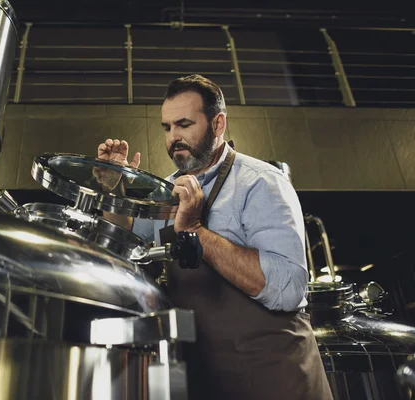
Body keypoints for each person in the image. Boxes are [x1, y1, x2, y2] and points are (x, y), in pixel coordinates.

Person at [96, 74, 333, 399]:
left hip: (274, 377)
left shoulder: (261, 183)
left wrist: (195, 231)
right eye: (167, 127)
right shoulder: (163, 191)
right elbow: (126, 256)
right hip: (203, 378)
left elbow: (289, 290)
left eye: (184, 124)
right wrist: (115, 192)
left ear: (218, 123)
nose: (173, 138)